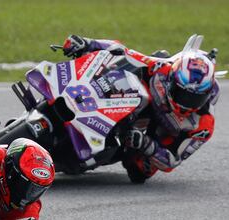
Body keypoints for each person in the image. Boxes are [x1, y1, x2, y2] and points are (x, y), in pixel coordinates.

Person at [62, 35, 220, 183]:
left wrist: (146, 144)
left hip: (156, 136)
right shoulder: (162, 69)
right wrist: (87, 43)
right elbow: (122, 51)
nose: (187, 102)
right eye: (182, 93)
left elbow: (172, 161)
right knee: (120, 70)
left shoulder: (202, 125)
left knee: (140, 170)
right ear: (172, 80)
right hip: (136, 105)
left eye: (195, 98)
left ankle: (100, 150)